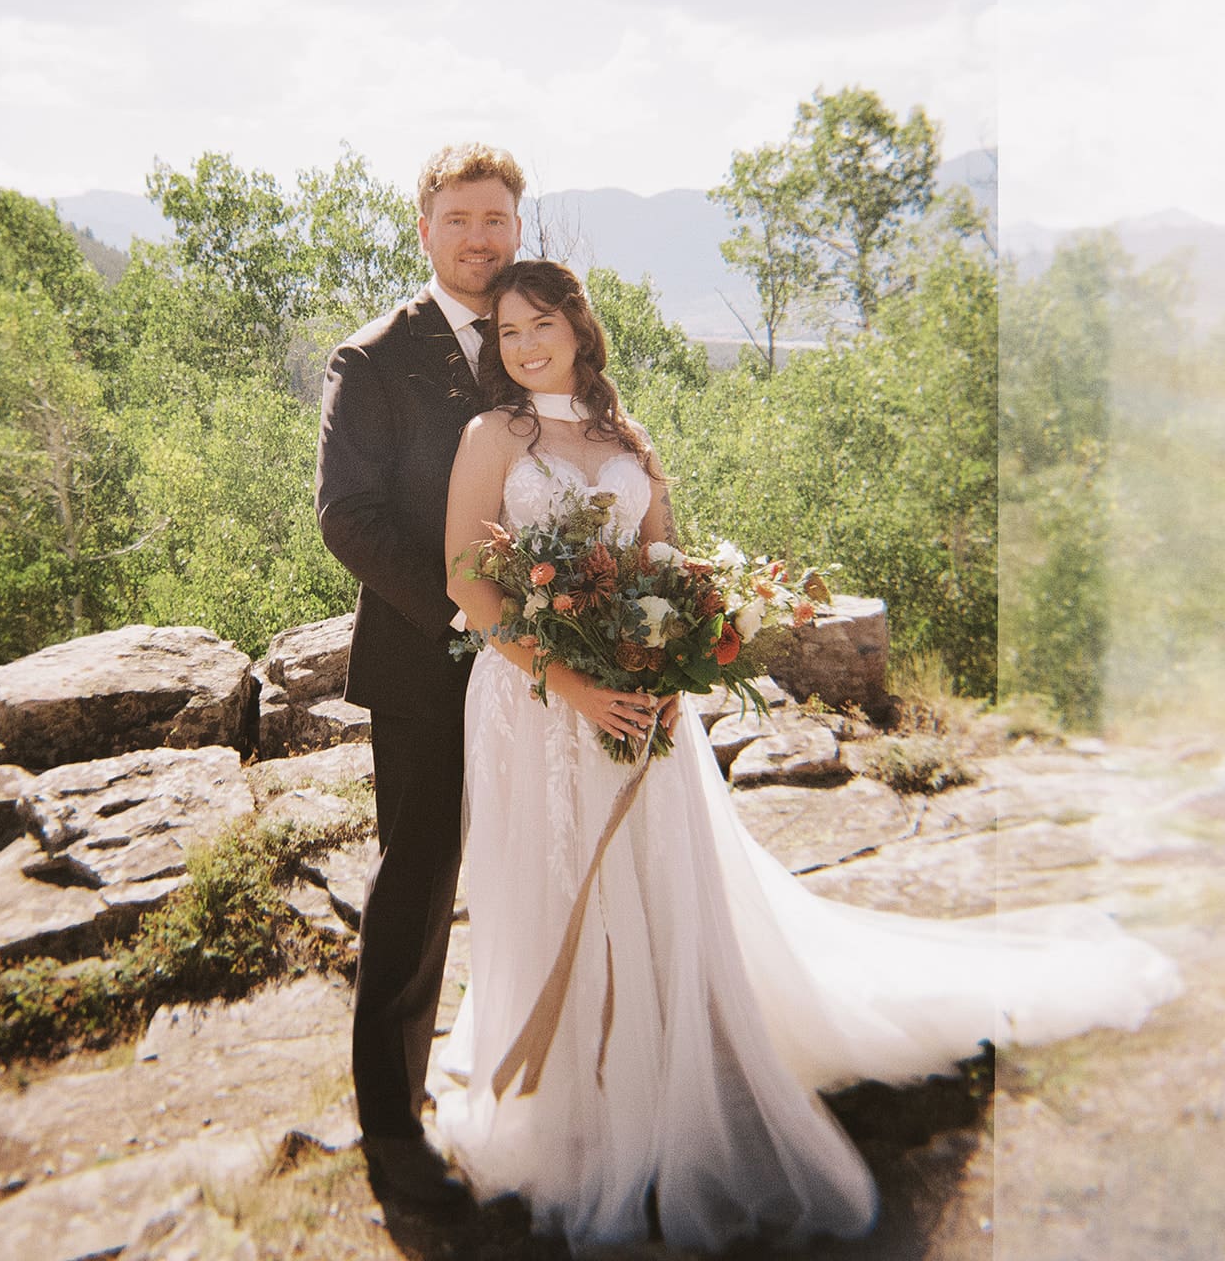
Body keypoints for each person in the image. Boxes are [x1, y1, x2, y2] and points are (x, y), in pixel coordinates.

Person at [435, 259, 1181, 1252]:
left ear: (578, 327)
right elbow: (469, 586)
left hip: (639, 697)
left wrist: (667, 654)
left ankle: (666, 1073)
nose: (525, 346)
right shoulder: (491, 436)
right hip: (534, 701)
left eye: (542, 326)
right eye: (509, 332)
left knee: (652, 881)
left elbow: (660, 560)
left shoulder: (628, 437)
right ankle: (573, 1093)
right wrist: (572, 683)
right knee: (550, 874)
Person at [315, 142, 524, 1205]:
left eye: (495, 219)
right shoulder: (372, 356)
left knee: (546, 857)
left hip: (544, 665)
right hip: (424, 661)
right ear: (424, 229)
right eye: (459, 218)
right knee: (419, 877)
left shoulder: (539, 335)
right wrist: (470, 613)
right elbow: (343, 517)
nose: (479, 237)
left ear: (517, 230)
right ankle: (390, 1122)